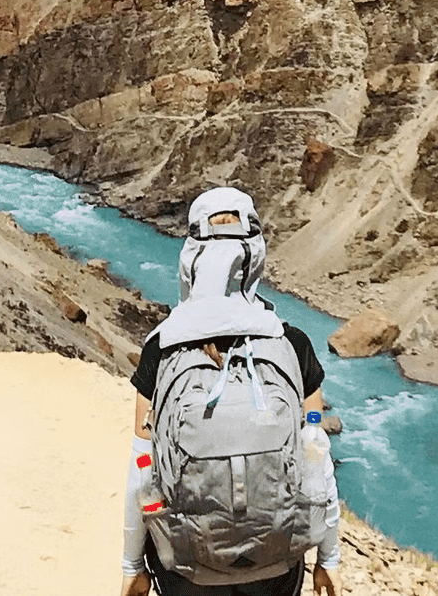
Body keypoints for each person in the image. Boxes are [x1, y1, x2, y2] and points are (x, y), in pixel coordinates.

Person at [122, 187, 340, 596]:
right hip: (275, 563)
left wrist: (133, 565)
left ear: (190, 258)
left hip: (185, 566)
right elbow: (316, 458)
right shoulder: (292, 346)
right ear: (254, 257)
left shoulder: (162, 348)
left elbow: (142, 470)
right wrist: (327, 559)